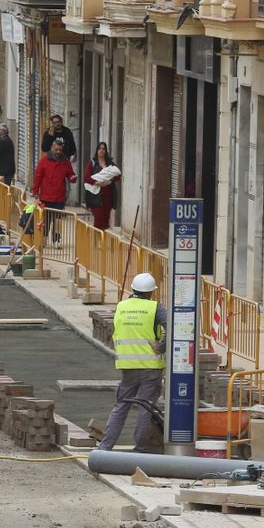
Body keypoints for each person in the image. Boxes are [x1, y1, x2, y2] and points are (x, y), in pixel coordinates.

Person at [95, 272, 166, 453]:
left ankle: (104, 448)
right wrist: (161, 346)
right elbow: (174, 326)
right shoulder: (155, 308)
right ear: (151, 292)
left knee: (121, 406)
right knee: (145, 408)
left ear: (132, 289)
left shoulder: (121, 306)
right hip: (150, 368)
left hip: (127, 367)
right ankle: (140, 450)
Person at [30, 137, 76, 244]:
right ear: (52, 148)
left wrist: (73, 178)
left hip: (59, 197)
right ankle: (44, 238)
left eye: (60, 150)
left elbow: (70, 174)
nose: (58, 152)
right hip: (46, 197)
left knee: (58, 220)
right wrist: (35, 192)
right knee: (45, 219)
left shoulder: (65, 162)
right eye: (56, 150)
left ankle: (57, 239)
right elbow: (38, 177)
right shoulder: (44, 161)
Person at [85, 142, 120, 232]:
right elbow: (86, 178)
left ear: (106, 150)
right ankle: (97, 243)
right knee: (98, 221)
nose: (101, 150)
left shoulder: (110, 163)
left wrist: (110, 180)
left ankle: (103, 242)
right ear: (97, 150)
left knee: (105, 221)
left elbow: (118, 176)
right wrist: (98, 183)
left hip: (108, 196)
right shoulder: (92, 163)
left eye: (103, 148)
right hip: (96, 196)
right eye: (99, 148)